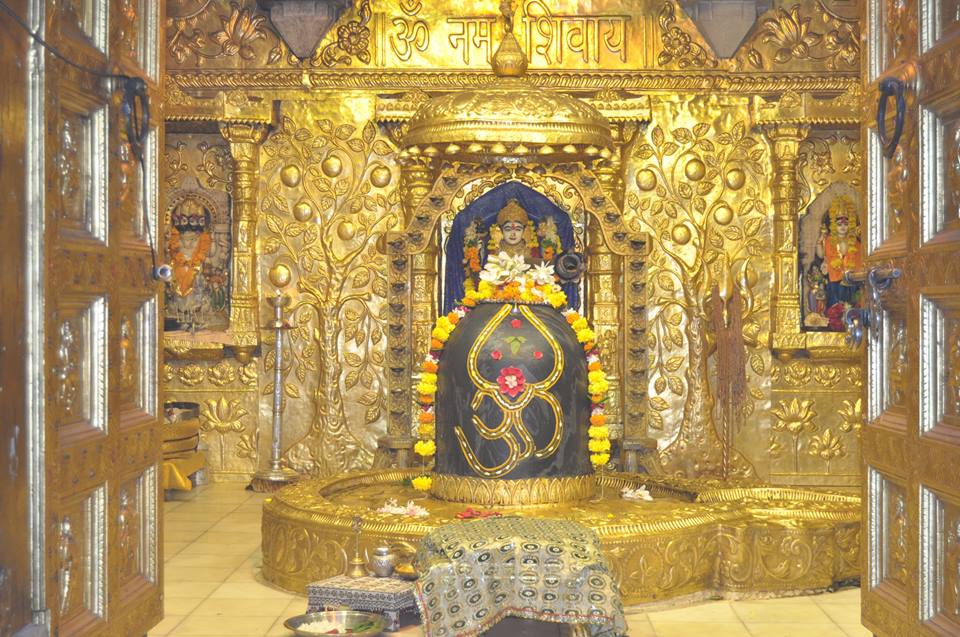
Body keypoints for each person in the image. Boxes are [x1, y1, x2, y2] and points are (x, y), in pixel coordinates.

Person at [815, 195, 861, 309]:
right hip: (834, 280)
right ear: (833, 225)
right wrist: (820, 241)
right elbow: (821, 255)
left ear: (850, 225)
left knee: (852, 305)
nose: (843, 227)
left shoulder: (854, 242)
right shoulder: (828, 240)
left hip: (851, 281)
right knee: (835, 307)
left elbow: (860, 259)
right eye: (839, 224)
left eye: (846, 224)